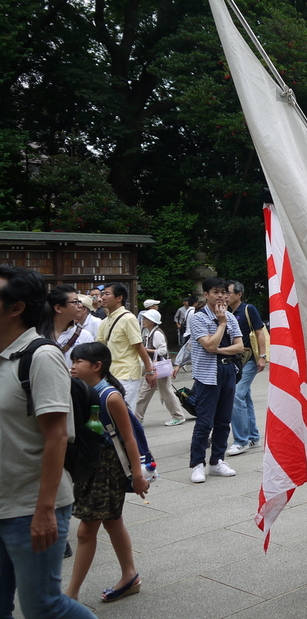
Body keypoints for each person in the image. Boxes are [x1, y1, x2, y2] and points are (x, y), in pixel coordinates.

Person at [0, 264, 97, 619]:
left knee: (43, 606)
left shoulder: (41, 357)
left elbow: (57, 435)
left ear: (15, 308)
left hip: (30, 508)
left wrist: (44, 510)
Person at [64, 342, 149, 603]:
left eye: (78, 362)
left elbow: (129, 438)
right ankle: (130, 575)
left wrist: (137, 474)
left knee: (85, 531)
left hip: (107, 468)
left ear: (97, 366)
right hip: (89, 467)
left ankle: (71, 595)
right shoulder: (80, 389)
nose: (73, 366)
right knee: (112, 521)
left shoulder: (109, 396)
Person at [188, 277, 244, 483]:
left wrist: (220, 349)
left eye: (224, 292)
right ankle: (197, 464)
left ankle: (217, 460)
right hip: (207, 374)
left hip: (228, 371)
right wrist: (221, 324)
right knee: (204, 422)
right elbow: (208, 346)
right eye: (216, 292)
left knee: (223, 420)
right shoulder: (198, 318)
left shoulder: (231, 316)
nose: (221, 296)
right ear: (206, 294)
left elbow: (239, 347)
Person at [97, 283, 154, 411]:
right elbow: (99, 347)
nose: (103, 297)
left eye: (107, 294)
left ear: (119, 298)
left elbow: (139, 346)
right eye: (102, 294)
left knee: (125, 412)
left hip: (126, 374)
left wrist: (149, 371)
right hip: (109, 374)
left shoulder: (128, 318)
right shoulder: (105, 322)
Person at [226, 281, 267, 456]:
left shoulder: (249, 309)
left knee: (236, 395)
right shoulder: (228, 313)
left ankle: (241, 440)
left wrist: (262, 357)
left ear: (239, 294)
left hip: (249, 358)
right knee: (245, 397)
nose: (225, 296)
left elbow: (259, 332)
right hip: (236, 361)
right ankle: (253, 436)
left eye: (228, 293)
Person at [134, 310, 184, 426]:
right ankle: (137, 419)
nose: (143, 320)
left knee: (164, 392)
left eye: (145, 319)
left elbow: (162, 350)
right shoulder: (149, 332)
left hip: (158, 368)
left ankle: (178, 416)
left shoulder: (156, 333)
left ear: (152, 321)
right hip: (154, 368)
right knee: (146, 393)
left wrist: (146, 350)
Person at [42, 284, 95, 368]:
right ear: (58, 308)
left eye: (79, 301)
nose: (80, 305)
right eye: (75, 302)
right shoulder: (39, 334)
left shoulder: (84, 336)